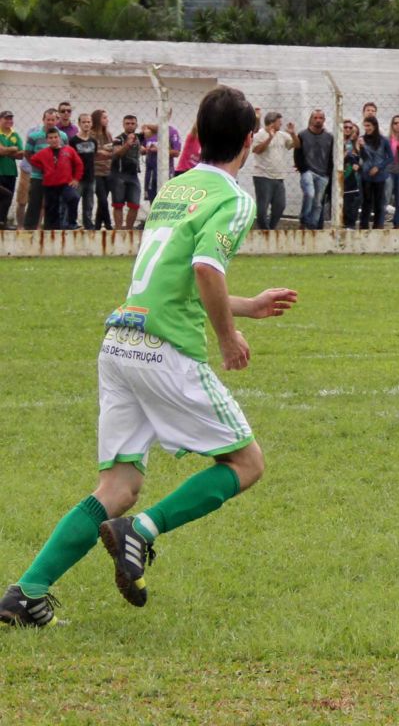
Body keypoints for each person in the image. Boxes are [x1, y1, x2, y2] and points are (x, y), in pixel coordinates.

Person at [0, 87, 298, 627]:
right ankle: (142, 530)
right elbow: (207, 268)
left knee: (118, 485)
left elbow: (178, 276)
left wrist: (247, 307)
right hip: (164, 348)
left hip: (120, 339)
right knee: (246, 463)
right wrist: (228, 337)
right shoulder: (234, 198)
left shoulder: (177, 188)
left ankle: (27, 593)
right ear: (250, 138)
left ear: (200, 137)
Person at [27, 129, 83, 230]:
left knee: (73, 197)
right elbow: (33, 160)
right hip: (50, 184)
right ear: (47, 140)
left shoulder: (69, 150)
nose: (53, 140)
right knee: (51, 207)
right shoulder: (43, 152)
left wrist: (76, 179)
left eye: (56, 137)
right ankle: (53, 228)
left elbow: (79, 164)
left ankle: (72, 222)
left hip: (66, 183)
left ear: (60, 138)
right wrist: (44, 168)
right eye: (51, 138)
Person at [22, 108, 69, 230]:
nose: (50, 122)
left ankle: (51, 230)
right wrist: (39, 167)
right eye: (48, 119)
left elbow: (66, 153)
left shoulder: (63, 136)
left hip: (55, 179)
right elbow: (27, 153)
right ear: (43, 120)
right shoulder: (34, 136)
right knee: (34, 203)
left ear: (57, 120)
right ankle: (29, 229)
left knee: (52, 204)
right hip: (38, 176)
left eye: (53, 119)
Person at [250, 112, 296, 230]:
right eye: (279, 122)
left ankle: (270, 229)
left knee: (280, 205)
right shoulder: (259, 134)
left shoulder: (282, 135)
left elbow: (296, 145)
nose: (281, 124)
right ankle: (264, 230)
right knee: (262, 207)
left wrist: (292, 134)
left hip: (278, 177)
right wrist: (269, 138)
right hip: (262, 175)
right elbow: (256, 150)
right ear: (272, 123)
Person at [297, 109, 334, 229]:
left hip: (323, 174)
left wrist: (329, 173)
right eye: (315, 118)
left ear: (324, 120)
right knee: (310, 194)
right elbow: (297, 152)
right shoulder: (302, 135)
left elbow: (331, 156)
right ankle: (304, 219)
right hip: (308, 171)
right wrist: (302, 169)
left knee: (318, 203)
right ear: (311, 119)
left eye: (320, 118)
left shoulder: (329, 137)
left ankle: (312, 226)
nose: (318, 120)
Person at [356, 115, 393, 229]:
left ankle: (378, 226)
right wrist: (361, 147)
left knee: (379, 203)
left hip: (380, 176)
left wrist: (378, 167)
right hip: (366, 176)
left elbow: (390, 157)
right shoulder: (362, 139)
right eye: (365, 125)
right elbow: (363, 157)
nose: (367, 128)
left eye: (369, 126)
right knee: (366, 202)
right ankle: (364, 226)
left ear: (375, 126)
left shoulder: (383, 140)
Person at [110, 114, 143, 230]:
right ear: (123, 125)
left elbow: (154, 130)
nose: (130, 126)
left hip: (133, 175)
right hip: (119, 174)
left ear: (136, 125)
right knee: (118, 204)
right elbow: (116, 153)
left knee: (135, 204)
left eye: (132, 123)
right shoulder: (119, 139)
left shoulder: (139, 138)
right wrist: (127, 144)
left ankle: (129, 229)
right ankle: (119, 230)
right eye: (127, 123)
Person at [69, 113, 98, 230]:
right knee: (74, 200)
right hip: (77, 178)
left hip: (90, 177)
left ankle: (88, 223)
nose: (86, 124)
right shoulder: (73, 141)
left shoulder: (93, 141)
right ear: (79, 124)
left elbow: (93, 157)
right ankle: (72, 223)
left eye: (88, 122)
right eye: (84, 122)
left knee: (89, 203)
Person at [142, 123, 182, 205]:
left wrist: (159, 150)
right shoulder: (148, 132)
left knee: (166, 200)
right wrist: (144, 149)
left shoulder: (172, 132)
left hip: (166, 172)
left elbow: (176, 152)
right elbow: (142, 149)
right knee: (152, 201)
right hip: (151, 173)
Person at [91, 109, 115, 231]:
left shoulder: (108, 134)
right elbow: (95, 153)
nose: (107, 120)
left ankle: (97, 226)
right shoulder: (91, 135)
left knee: (103, 202)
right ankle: (109, 225)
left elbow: (112, 151)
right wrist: (104, 152)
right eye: (104, 117)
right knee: (103, 200)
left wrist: (104, 152)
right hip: (96, 172)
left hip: (108, 171)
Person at [0, 110, 23, 228]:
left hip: (11, 172)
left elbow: (21, 154)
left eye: (11, 119)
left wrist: (6, 150)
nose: (9, 121)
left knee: (7, 199)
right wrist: (12, 149)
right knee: (4, 195)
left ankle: (2, 222)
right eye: (6, 118)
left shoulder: (15, 135)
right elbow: (1, 151)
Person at [342, 120, 362, 228]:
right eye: (348, 129)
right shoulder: (343, 145)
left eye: (355, 132)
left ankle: (351, 225)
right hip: (344, 178)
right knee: (345, 206)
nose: (351, 133)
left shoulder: (358, 147)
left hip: (355, 181)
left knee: (353, 205)